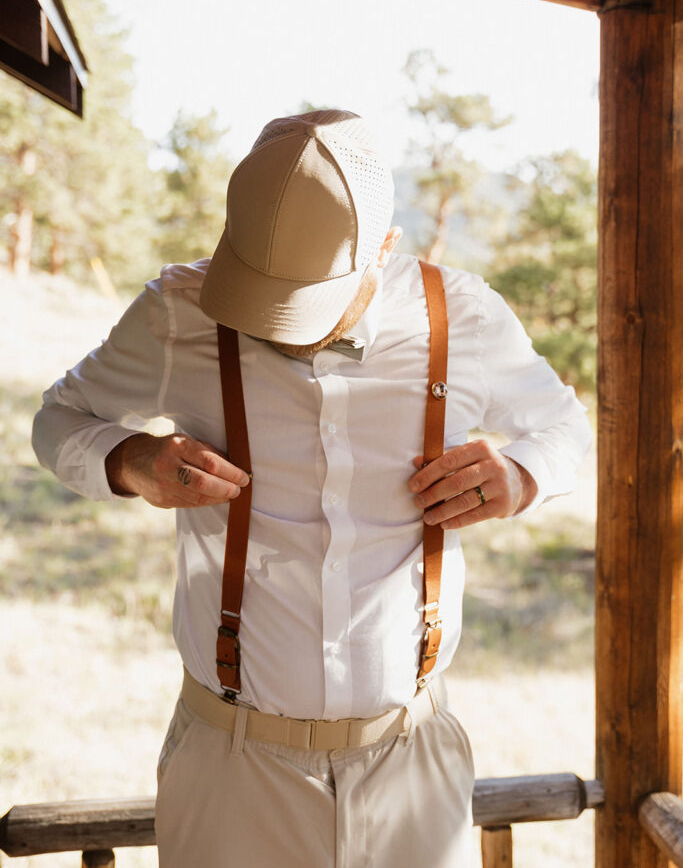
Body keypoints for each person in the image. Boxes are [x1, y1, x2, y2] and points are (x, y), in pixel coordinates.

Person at [33, 108, 591, 868]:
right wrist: (130, 460)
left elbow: (567, 430)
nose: (280, 327)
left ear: (383, 249)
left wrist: (521, 475)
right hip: (232, 769)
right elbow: (59, 420)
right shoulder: (176, 315)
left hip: (411, 763)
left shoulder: (463, 316)